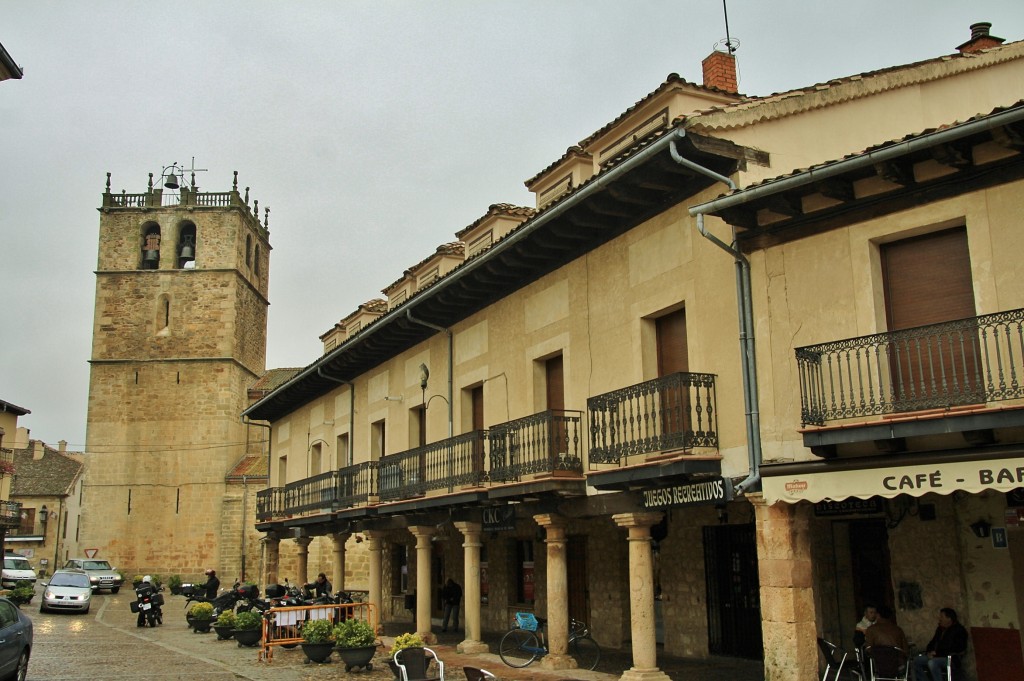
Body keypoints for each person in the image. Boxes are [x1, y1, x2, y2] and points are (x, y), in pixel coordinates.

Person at [913, 607, 969, 681]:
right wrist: (929, 652)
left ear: (949, 619)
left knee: (932, 663)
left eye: (942, 617)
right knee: (916, 661)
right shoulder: (940, 629)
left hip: (950, 659)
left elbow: (956, 648)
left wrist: (936, 653)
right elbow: (932, 642)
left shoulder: (959, 630)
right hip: (935, 656)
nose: (939, 619)